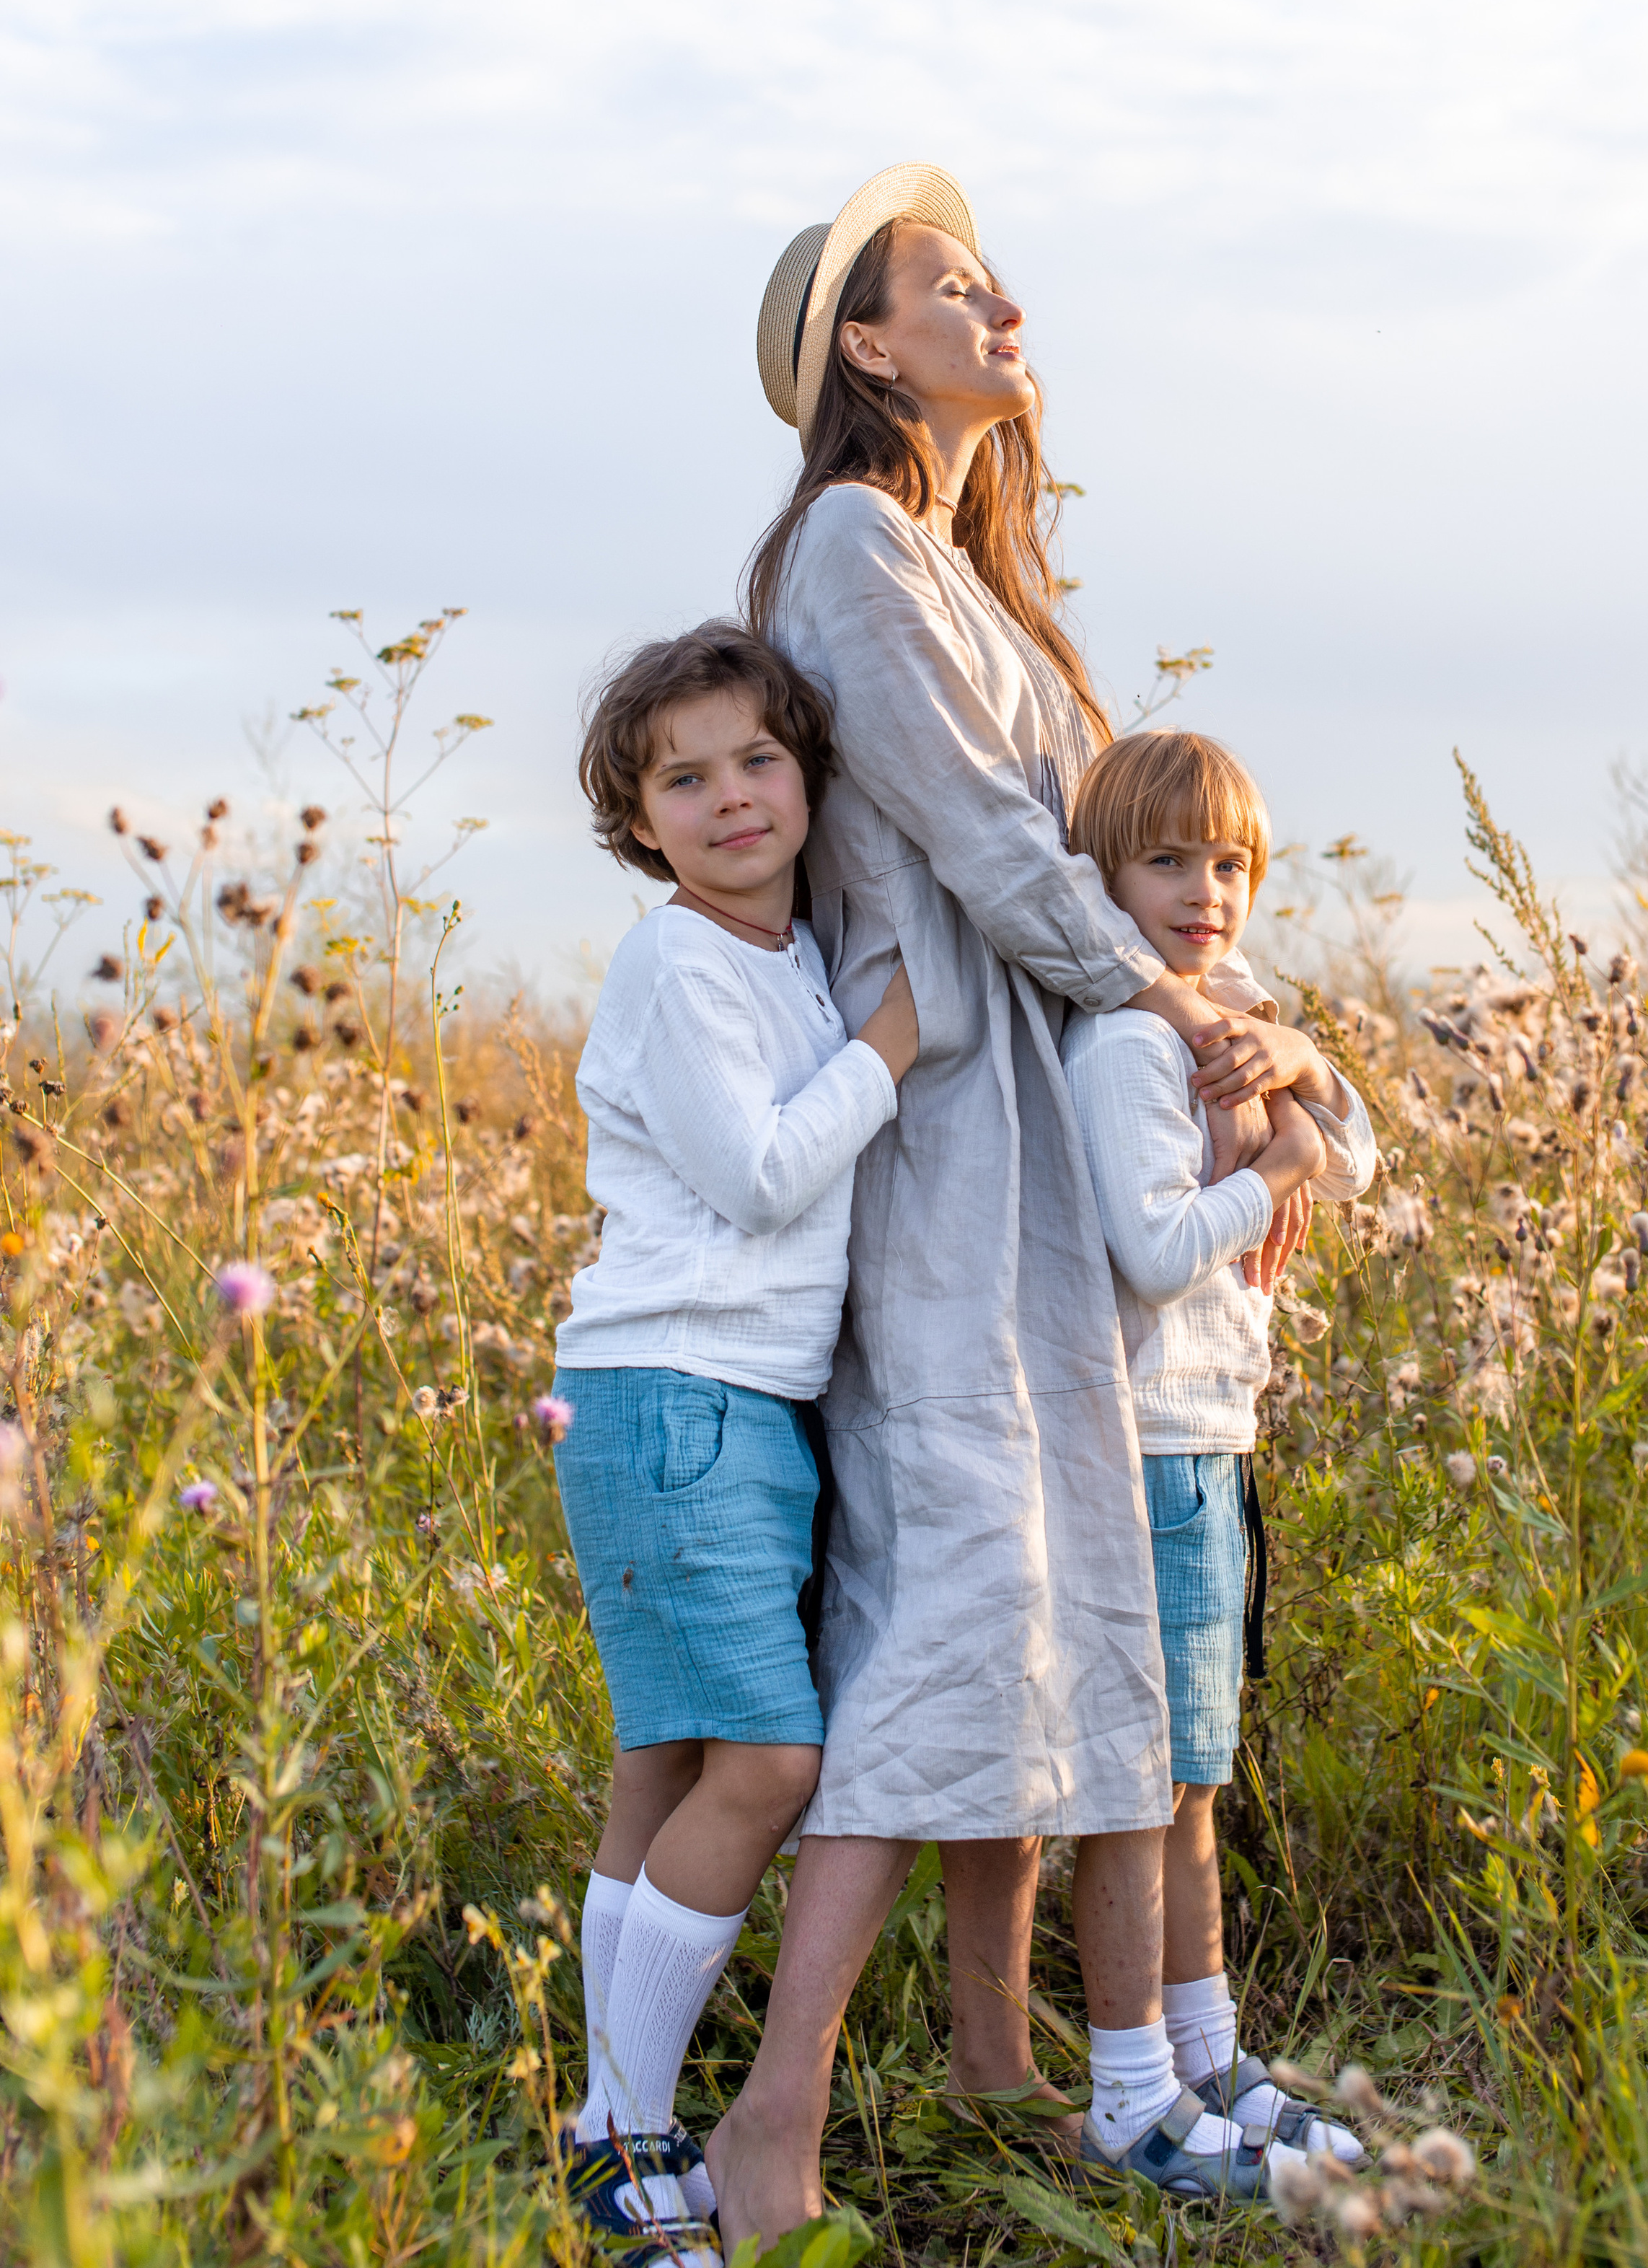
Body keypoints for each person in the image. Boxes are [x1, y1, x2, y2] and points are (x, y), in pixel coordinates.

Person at [705, 164, 1323, 2242]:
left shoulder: (965, 573)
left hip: (1049, 1132)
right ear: (867, 350)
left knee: (1048, 1597)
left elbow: (1088, 836)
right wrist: (1181, 1007)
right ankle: (770, 2116)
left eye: (991, 275)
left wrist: (1225, 1024)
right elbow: (984, 839)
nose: (999, 300)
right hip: (960, 1144)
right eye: (945, 284)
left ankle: (992, 2058)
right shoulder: (858, 551)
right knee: (955, 1607)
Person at [547, 621, 918, 2256]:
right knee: (765, 1764)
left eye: (755, 759)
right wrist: (891, 1050)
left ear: (805, 773)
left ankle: (601, 2121)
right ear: (639, 825)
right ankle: (623, 2134)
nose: (729, 798)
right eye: (681, 779)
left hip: (728, 1405)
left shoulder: (783, 959)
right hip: (670, 1395)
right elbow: (763, 1170)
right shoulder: (681, 963)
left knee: (670, 1770)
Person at [1062, 729, 1378, 2183]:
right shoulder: (1132, 1041)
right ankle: (1132, 2088)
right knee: (1140, 1781)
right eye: (1168, 859)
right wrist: (1268, 1175)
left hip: (1215, 1445)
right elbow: (1147, 1243)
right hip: (1150, 1447)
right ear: (1103, 875)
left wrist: (1305, 1066)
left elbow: (1355, 1152)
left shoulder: (1235, 1014)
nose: (1206, 889)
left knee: (1197, 1776)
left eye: (1231, 863)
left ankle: (1209, 2060)